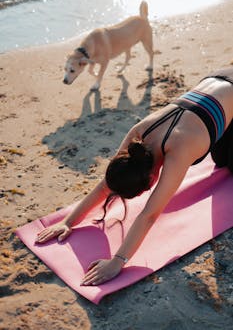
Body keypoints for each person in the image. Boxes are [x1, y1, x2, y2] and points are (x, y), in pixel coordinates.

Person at [37, 67, 233, 286]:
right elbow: (106, 184)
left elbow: (149, 214)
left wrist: (118, 262)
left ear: (150, 181)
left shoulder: (179, 151)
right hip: (218, 81)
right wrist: (68, 222)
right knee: (221, 161)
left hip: (225, 85)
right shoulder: (138, 134)